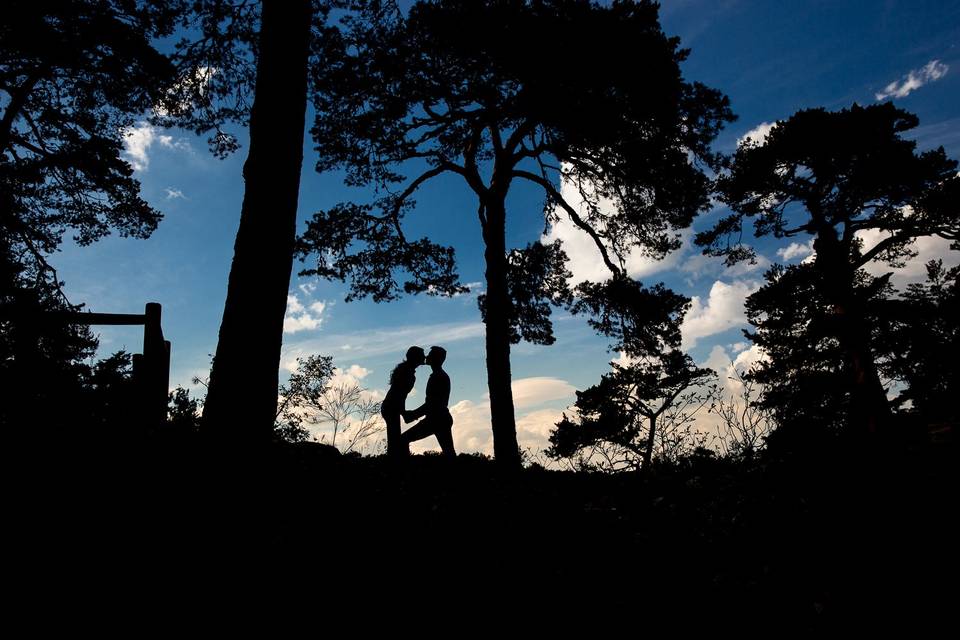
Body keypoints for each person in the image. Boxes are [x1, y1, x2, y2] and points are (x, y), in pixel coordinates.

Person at [401, 346, 455, 458]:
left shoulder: (438, 377)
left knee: (402, 440)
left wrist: (412, 415)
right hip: (440, 419)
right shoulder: (439, 376)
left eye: (430, 355)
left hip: (436, 420)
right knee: (449, 453)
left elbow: (432, 404)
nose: (427, 356)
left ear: (436, 359)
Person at [381, 346, 425, 458]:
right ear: (415, 357)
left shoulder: (406, 370)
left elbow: (401, 395)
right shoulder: (407, 372)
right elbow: (399, 394)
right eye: (422, 355)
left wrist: (403, 412)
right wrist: (403, 412)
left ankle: (395, 462)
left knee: (394, 438)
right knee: (394, 439)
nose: (424, 357)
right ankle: (395, 464)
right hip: (391, 407)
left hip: (391, 406)